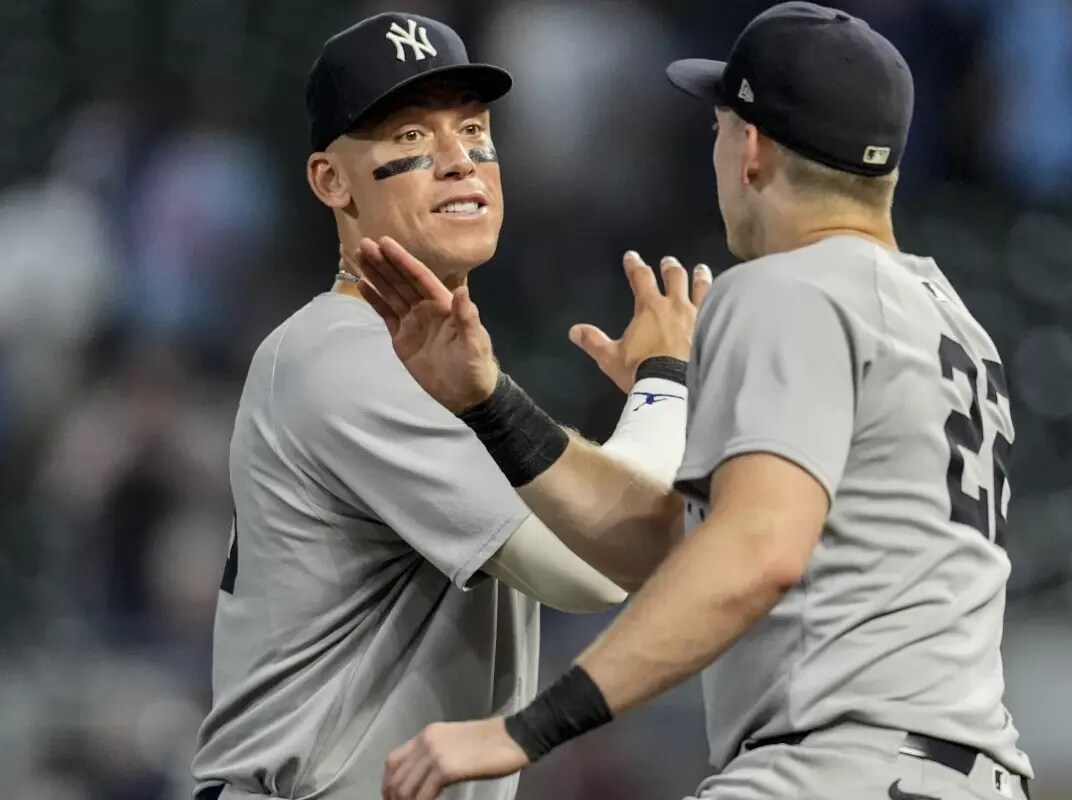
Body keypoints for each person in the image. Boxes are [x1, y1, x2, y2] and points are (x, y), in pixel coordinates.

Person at [355, 4, 1036, 800]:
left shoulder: (789, 287)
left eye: (719, 126)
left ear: (752, 149)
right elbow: (675, 552)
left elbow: (758, 549)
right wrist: (489, 402)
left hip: (837, 769)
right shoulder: (947, 319)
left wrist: (526, 729)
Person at [190, 12, 709, 800]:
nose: (459, 160)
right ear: (331, 181)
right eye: (410, 137)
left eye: (472, 129)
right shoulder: (345, 353)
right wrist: (663, 382)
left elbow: (617, 536)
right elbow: (598, 563)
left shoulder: (423, 357)